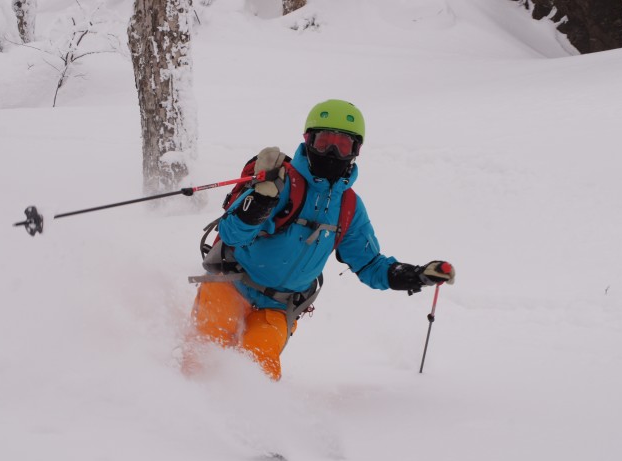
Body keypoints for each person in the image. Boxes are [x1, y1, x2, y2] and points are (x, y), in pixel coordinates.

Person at [184, 99, 455, 380]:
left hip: (278, 307)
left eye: (343, 144)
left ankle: (244, 419)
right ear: (308, 141)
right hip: (230, 284)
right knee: (207, 348)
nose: (332, 152)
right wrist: (262, 200)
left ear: (356, 150)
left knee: (258, 366)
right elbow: (232, 234)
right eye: (324, 141)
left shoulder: (348, 207)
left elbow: (371, 265)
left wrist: (417, 276)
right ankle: (180, 405)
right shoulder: (281, 184)